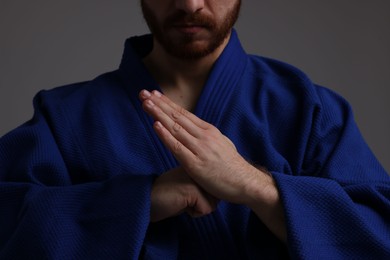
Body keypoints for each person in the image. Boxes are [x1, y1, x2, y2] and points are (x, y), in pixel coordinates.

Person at [0, 0, 389, 259]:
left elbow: (381, 235)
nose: (189, 3)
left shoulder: (310, 108)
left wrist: (256, 187)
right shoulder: (63, 116)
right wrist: (141, 201)